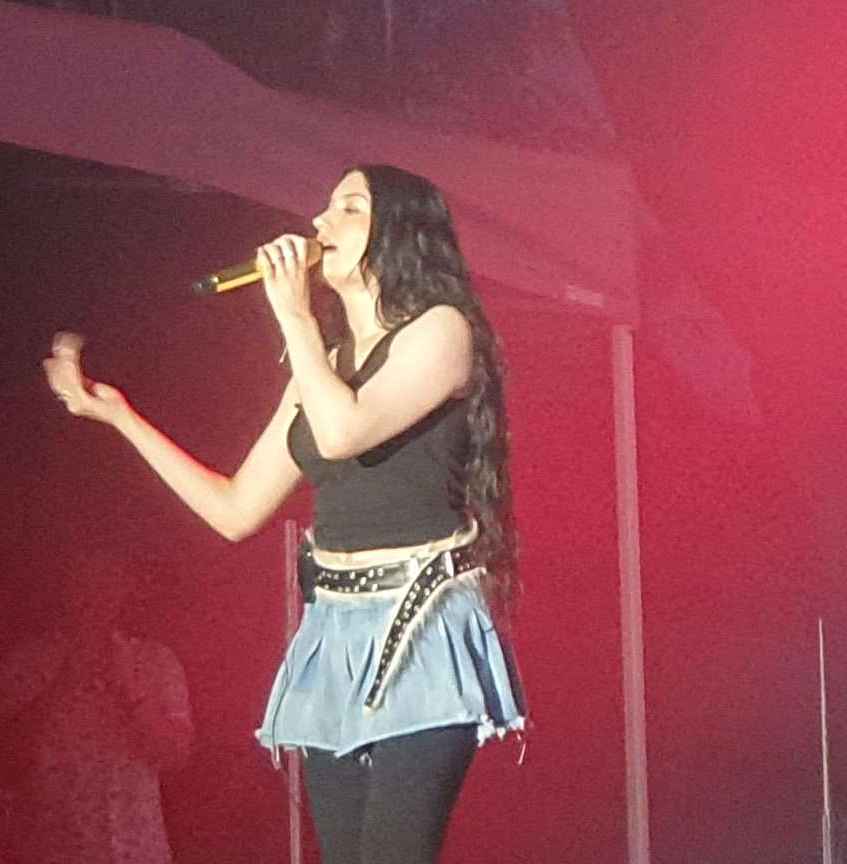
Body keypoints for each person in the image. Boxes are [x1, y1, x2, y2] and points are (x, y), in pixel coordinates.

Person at [41, 164, 525, 864]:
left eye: (350, 208)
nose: (321, 223)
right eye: (325, 207)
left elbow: (343, 431)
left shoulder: (442, 331)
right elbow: (236, 508)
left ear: (401, 233)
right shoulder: (321, 365)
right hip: (335, 630)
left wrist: (295, 315)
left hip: (419, 624)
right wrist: (121, 418)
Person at [0, 553, 193, 864]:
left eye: (108, 579)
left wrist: (131, 692)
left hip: (136, 854)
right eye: (85, 579)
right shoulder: (28, 663)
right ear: (66, 585)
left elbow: (176, 755)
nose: (94, 593)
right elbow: (3, 759)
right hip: (49, 854)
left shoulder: (155, 662)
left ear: (125, 587)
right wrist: (64, 683)